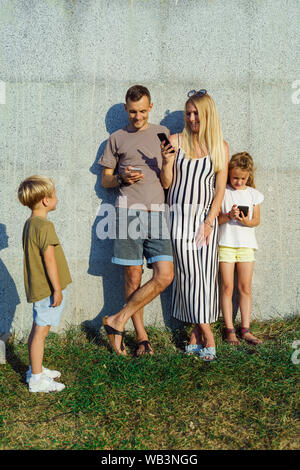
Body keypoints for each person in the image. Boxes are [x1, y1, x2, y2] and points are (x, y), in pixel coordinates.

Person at [99, 85, 174, 356]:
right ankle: (141, 337)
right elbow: (106, 180)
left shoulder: (162, 135)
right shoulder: (116, 138)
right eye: (132, 112)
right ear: (125, 109)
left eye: (142, 111)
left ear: (150, 107)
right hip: (127, 212)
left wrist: (167, 162)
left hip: (157, 212)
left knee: (165, 275)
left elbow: (167, 182)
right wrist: (122, 178)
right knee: (133, 276)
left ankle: (116, 319)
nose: (138, 117)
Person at [160, 89, 229, 361]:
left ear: (207, 114)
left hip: (206, 219)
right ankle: (208, 335)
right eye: (188, 113)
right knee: (189, 276)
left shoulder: (220, 147)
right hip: (179, 217)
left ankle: (194, 335)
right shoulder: (175, 141)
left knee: (205, 277)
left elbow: (219, 190)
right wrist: (167, 161)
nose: (190, 118)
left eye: (196, 113)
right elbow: (167, 184)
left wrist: (210, 221)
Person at [18, 175, 72, 392]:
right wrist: (57, 289)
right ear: (45, 201)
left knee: (37, 329)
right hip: (47, 290)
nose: (57, 198)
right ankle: (37, 380)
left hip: (38, 288)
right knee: (41, 332)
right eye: (55, 194)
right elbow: (49, 259)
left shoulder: (30, 223)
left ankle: (35, 368)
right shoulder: (45, 226)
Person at [218, 152, 264, 345]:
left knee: (245, 287)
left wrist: (245, 221)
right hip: (226, 245)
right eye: (235, 177)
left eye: (242, 178)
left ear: (249, 176)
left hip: (246, 246)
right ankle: (229, 329)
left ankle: (245, 329)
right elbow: (216, 220)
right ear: (229, 174)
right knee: (227, 287)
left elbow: (256, 221)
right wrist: (229, 215)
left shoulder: (253, 194)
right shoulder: (223, 192)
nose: (238, 182)